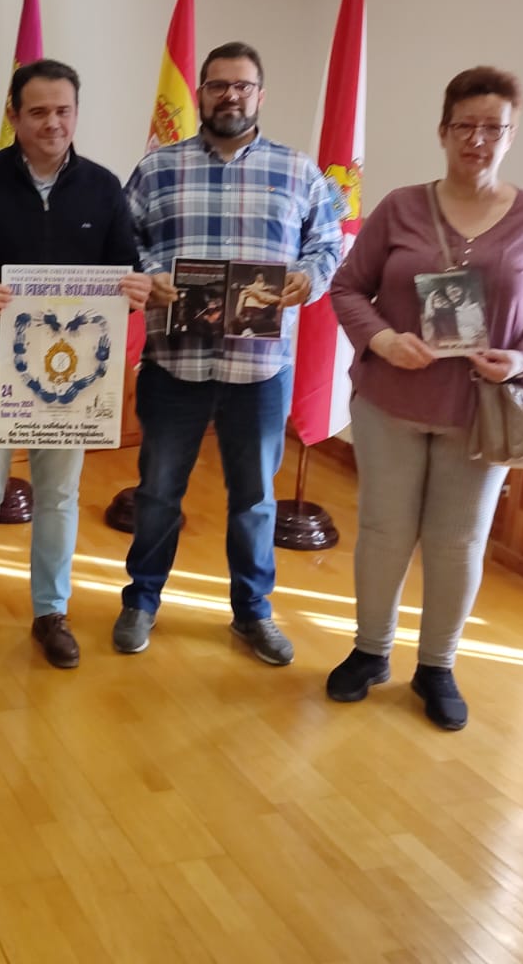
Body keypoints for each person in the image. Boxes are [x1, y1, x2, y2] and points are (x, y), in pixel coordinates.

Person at [326, 66, 523, 730]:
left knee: (458, 543)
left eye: (492, 128)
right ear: (443, 132)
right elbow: (348, 287)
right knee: (383, 533)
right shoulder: (402, 207)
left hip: (480, 413)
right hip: (389, 404)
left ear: (510, 135)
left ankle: (436, 666)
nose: (477, 139)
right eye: (464, 126)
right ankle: (369, 651)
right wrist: (381, 341)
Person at [116, 42, 342, 664]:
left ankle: (253, 613)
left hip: (259, 371)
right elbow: (126, 244)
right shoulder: (157, 170)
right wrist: (150, 276)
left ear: (260, 96)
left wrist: (309, 278)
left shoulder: (299, 172)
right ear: (200, 94)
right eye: (218, 85)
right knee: (159, 492)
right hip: (174, 363)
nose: (230, 95)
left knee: (254, 499)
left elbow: (328, 244)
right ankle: (141, 600)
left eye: (242, 86)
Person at [0, 59, 149, 671]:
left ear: (76, 113)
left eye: (63, 111)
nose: (53, 123)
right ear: (14, 115)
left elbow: (123, 270)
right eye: (38, 112)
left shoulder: (106, 187)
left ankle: (51, 612)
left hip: (75, 378)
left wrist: (131, 292)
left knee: (59, 496)